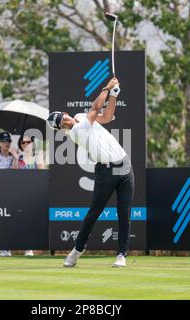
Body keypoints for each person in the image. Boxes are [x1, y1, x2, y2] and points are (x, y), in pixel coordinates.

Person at [47, 77, 134, 268]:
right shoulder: (76, 131)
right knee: (95, 211)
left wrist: (114, 95)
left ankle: (121, 255)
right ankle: (76, 252)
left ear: (66, 114)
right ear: (61, 129)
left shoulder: (79, 117)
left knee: (124, 212)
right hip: (105, 171)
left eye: (63, 119)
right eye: (61, 125)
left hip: (125, 165)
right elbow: (95, 110)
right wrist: (107, 87)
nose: (65, 123)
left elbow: (107, 116)